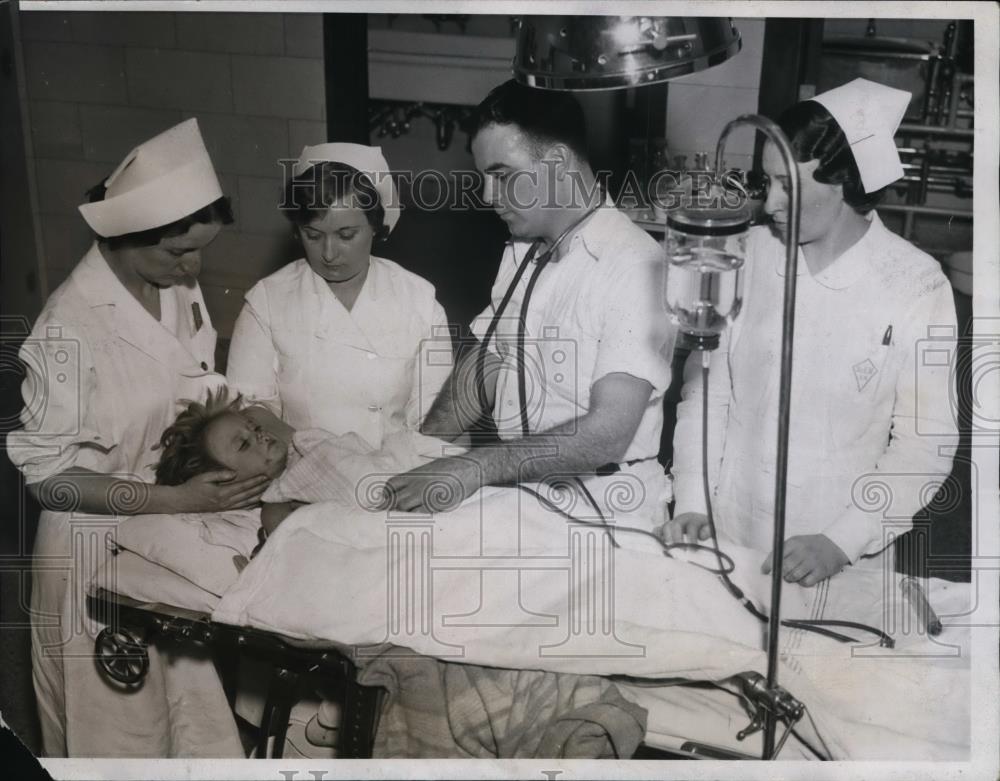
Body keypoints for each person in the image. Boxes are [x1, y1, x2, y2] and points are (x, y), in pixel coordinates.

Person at [7, 119, 264, 756]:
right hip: (93, 546)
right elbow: (50, 481)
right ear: (122, 237)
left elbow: (193, 388)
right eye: (179, 252)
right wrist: (180, 502)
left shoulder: (174, 287)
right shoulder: (66, 330)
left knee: (190, 722)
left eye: (201, 248)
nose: (194, 266)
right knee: (119, 737)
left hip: (170, 536)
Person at [660, 78, 959, 587]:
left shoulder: (915, 283)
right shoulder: (749, 254)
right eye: (766, 182)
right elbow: (708, 391)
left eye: (786, 186)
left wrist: (841, 541)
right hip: (724, 531)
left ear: (842, 183)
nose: (769, 203)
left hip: (836, 553)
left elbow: (924, 445)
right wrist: (692, 499)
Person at [385, 80, 675, 521]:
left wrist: (473, 466)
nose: (487, 196)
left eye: (501, 175)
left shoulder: (634, 263)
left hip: (603, 507)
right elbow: (488, 364)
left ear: (557, 162)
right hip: (520, 495)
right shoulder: (522, 251)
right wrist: (422, 453)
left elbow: (609, 432)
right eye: (484, 177)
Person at [225, 143, 452, 450]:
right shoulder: (267, 302)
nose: (329, 254)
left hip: (393, 470)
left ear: (376, 227)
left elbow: (431, 415)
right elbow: (251, 409)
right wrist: (323, 456)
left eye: (346, 235)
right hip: (300, 470)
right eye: (313, 235)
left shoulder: (420, 302)